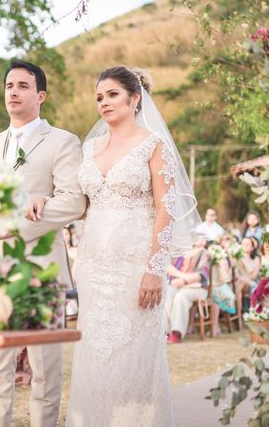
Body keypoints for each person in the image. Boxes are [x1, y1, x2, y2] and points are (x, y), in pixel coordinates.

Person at [61, 66, 200, 425]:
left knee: (135, 360)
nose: (103, 103)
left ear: (134, 98)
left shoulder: (153, 145)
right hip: (93, 268)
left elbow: (166, 213)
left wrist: (154, 270)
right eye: (99, 97)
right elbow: (78, 203)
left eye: (111, 95)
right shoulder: (90, 148)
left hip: (137, 269)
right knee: (93, 355)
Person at [0, 59, 86, 426]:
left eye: (23, 86)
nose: (14, 92)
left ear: (40, 95)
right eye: (10, 85)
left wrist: (19, 227)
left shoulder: (62, 141)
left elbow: (74, 200)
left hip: (44, 266)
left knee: (45, 368)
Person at [164, 240, 211, 343]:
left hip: (197, 288)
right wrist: (182, 277)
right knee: (167, 293)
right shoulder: (181, 250)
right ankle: (165, 332)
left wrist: (184, 281)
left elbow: (201, 275)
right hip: (177, 283)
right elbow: (168, 267)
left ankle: (176, 333)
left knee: (181, 296)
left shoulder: (205, 253)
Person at [235, 236, 261, 302]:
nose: (245, 246)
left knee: (246, 285)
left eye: (248, 244)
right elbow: (236, 274)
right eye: (243, 244)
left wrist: (244, 278)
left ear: (252, 247)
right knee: (240, 285)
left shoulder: (256, 259)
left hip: (252, 282)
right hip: (239, 282)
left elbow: (254, 275)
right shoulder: (236, 258)